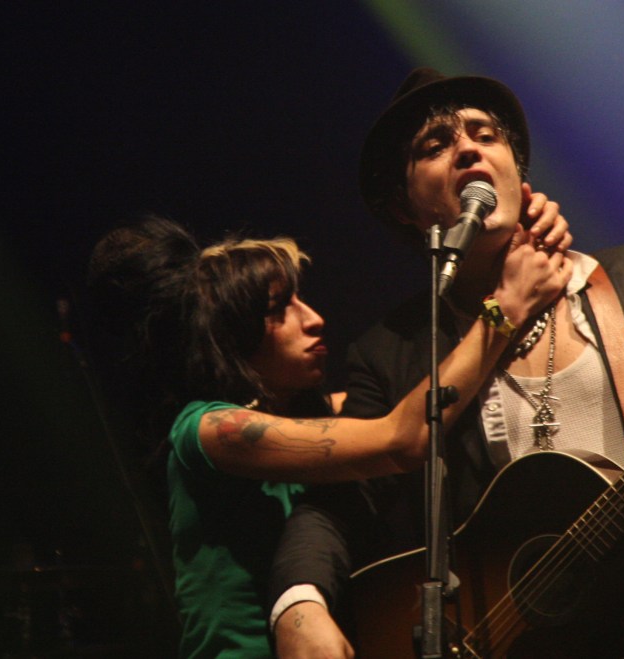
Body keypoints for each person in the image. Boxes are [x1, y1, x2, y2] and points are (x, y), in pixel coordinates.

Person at [270, 68, 624, 657]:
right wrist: (299, 605)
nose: (467, 149)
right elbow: (333, 510)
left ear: (517, 172)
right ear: (405, 208)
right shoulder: (391, 353)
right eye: (435, 145)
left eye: (485, 134)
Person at [85, 212, 571, 658]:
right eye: (280, 309)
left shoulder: (316, 414)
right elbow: (404, 435)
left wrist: (524, 224)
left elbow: (418, 399)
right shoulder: (211, 429)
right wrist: (504, 307)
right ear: (234, 334)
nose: (314, 318)